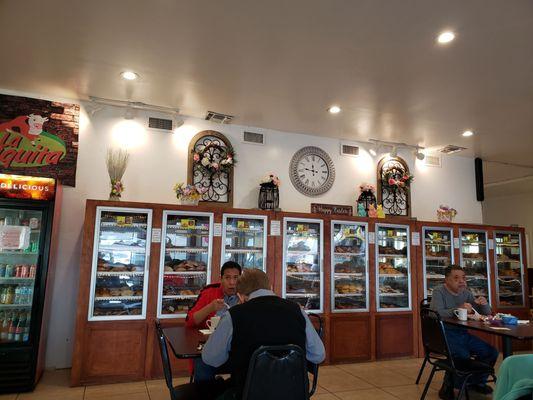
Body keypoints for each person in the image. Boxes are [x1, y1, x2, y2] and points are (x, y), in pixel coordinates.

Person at [202, 268, 326, 399]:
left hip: (248, 394)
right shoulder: (297, 310)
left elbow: (211, 359)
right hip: (295, 392)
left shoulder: (234, 315)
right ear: (270, 287)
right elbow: (318, 355)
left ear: (240, 296)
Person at [430, 265, 498, 400]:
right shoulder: (439, 291)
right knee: (462, 355)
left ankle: (475, 382)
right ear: (447, 280)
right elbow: (435, 314)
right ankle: (453, 386)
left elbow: (486, 313)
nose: (461, 281)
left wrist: (483, 303)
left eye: (463, 278)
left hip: (463, 334)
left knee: (491, 352)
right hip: (444, 335)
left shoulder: (466, 293)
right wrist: (458, 308)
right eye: (456, 278)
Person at [186, 261, 242, 382]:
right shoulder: (209, 292)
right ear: (221, 279)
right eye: (227, 278)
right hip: (212, 347)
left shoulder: (245, 295)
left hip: (238, 349)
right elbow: (189, 321)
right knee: (202, 363)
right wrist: (210, 308)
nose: (232, 283)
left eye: (236, 278)